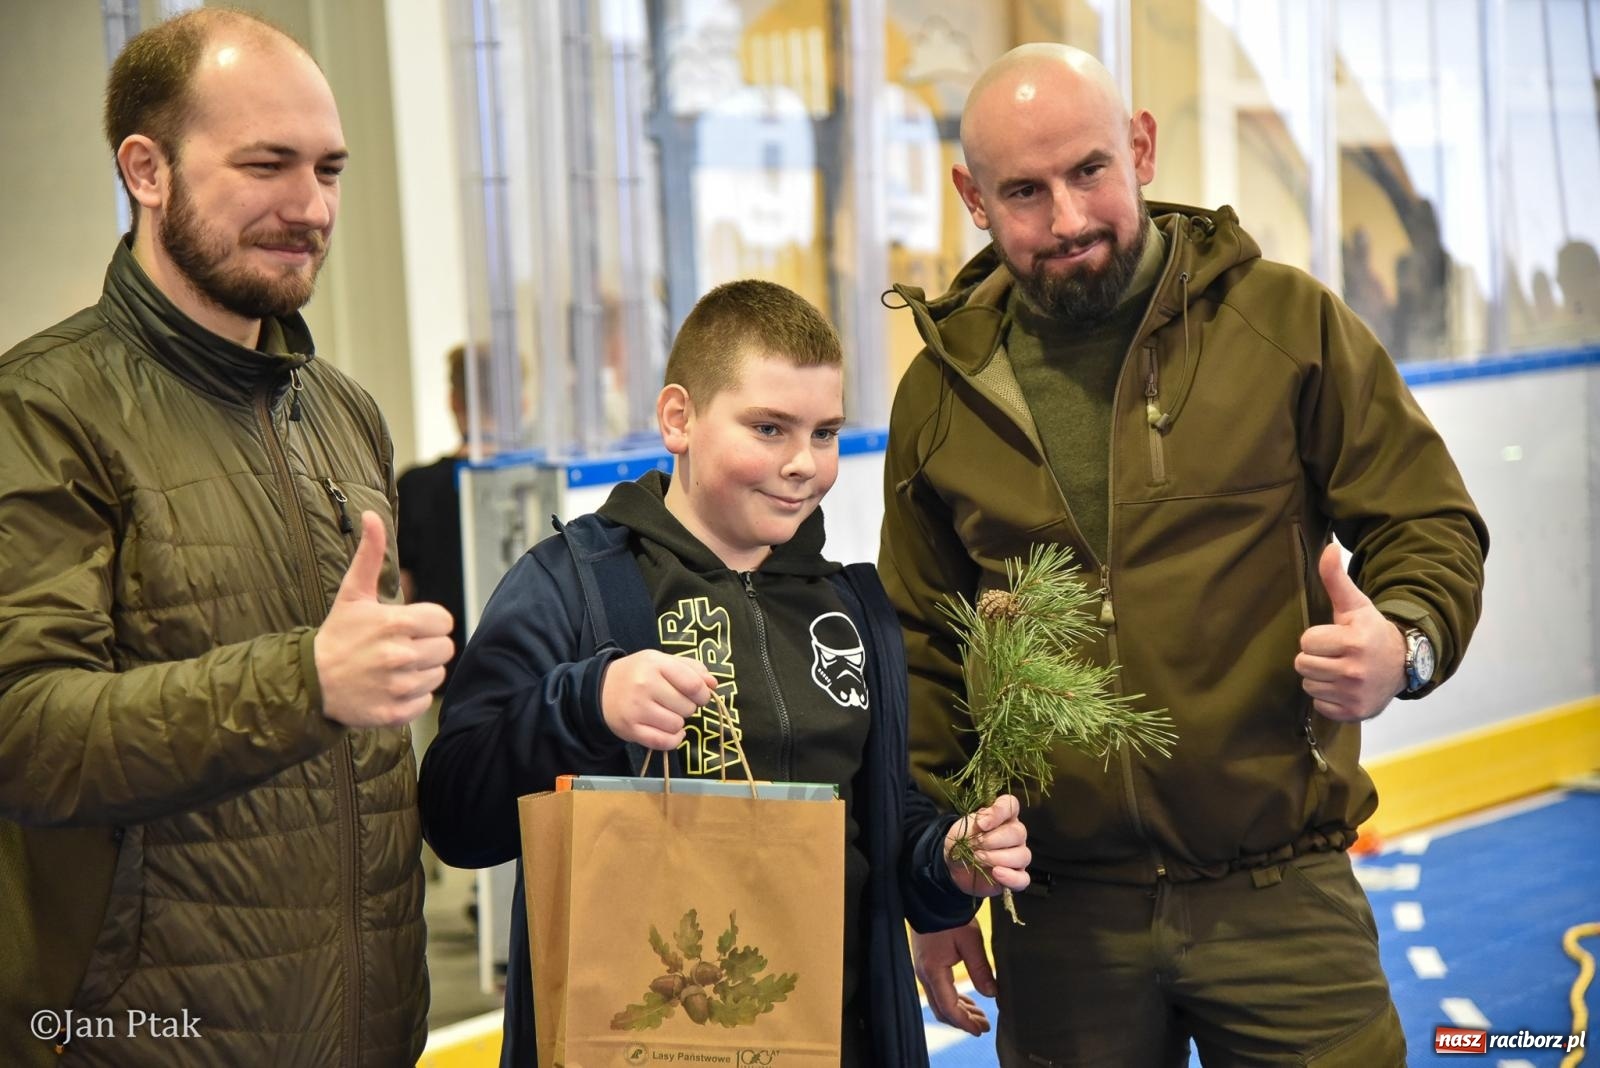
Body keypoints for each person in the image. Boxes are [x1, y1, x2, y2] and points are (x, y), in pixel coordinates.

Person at [879, 44, 1488, 1066]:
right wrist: (930, 880)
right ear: (971, 199)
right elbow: (923, 652)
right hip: (1060, 919)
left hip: (1280, 891)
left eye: (1088, 171)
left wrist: (1406, 647)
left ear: (1142, 148)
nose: (1066, 219)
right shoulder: (942, 393)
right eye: (1022, 192)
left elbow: (1424, 520)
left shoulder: (1284, 325)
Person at [419, 279, 1032, 1066]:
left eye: (825, 433)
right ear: (679, 418)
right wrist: (585, 704)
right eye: (769, 428)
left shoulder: (854, 610)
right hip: (636, 1039)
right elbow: (455, 815)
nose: (803, 464)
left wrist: (950, 859)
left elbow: (883, 830)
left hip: (837, 1037)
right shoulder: (573, 585)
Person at [0, 11, 453, 1066]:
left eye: (330, 169)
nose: (310, 208)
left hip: (368, 1032)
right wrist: (305, 681)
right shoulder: (41, 412)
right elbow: (21, 730)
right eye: (266, 165)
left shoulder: (343, 414)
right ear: (146, 170)